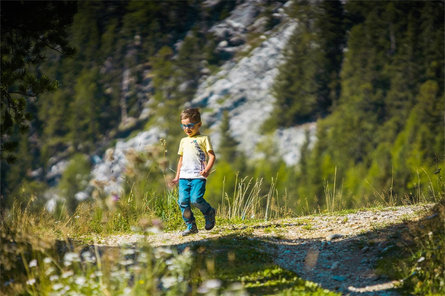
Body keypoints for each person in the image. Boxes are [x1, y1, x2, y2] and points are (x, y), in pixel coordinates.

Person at [170, 108, 216, 236]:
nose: (187, 129)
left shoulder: (204, 139)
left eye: (190, 125)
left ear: (199, 124)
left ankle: (209, 212)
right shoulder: (183, 141)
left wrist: (207, 170)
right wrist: (176, 177)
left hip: (198, 176)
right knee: (183, 201)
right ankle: (191, 226)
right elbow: (181, 160)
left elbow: (212, 156)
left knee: (196, 199)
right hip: (184, 177)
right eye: (183, 126)